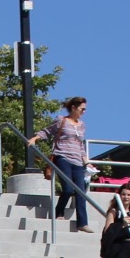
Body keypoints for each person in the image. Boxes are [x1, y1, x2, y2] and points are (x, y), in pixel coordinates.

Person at [28, 97, 93, 232]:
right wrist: (35, 138)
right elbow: (47, 131)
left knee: (81, 191)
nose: (84, 112)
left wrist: (86, 161)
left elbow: (80, 145)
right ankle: (59, 211)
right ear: (74, 108)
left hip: (77, 160)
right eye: (82, 109)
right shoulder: (61, 120)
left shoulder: (81, 125)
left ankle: (82, 222)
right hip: (62, 156)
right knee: (68, 189)